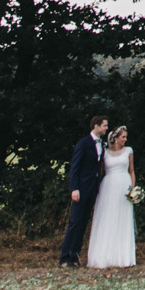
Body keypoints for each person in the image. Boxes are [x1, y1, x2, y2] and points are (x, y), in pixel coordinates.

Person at [85, 125, 139, 269]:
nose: (125, 140)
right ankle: (104, 255)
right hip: (108, 187)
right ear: (115, 138)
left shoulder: (129, 151)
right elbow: (100, 170)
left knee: (122, 219)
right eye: (123, 137)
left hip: (124, 187)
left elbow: (131, 171)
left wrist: (133, 190)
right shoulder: (105, 153)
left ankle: (123, 257)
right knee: (108, 218)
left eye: (126, 137)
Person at [59, 114, 109, 267]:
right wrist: (74, 188)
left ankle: (75, 255)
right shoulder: (83, 143)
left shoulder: (101, 144)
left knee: (83, 223)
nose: (107, 128)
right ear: (96, 126)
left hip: (93, 188)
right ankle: (64, 257)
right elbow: (75, 167)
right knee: (74, 222)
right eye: (105, 125)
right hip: (81, 188)